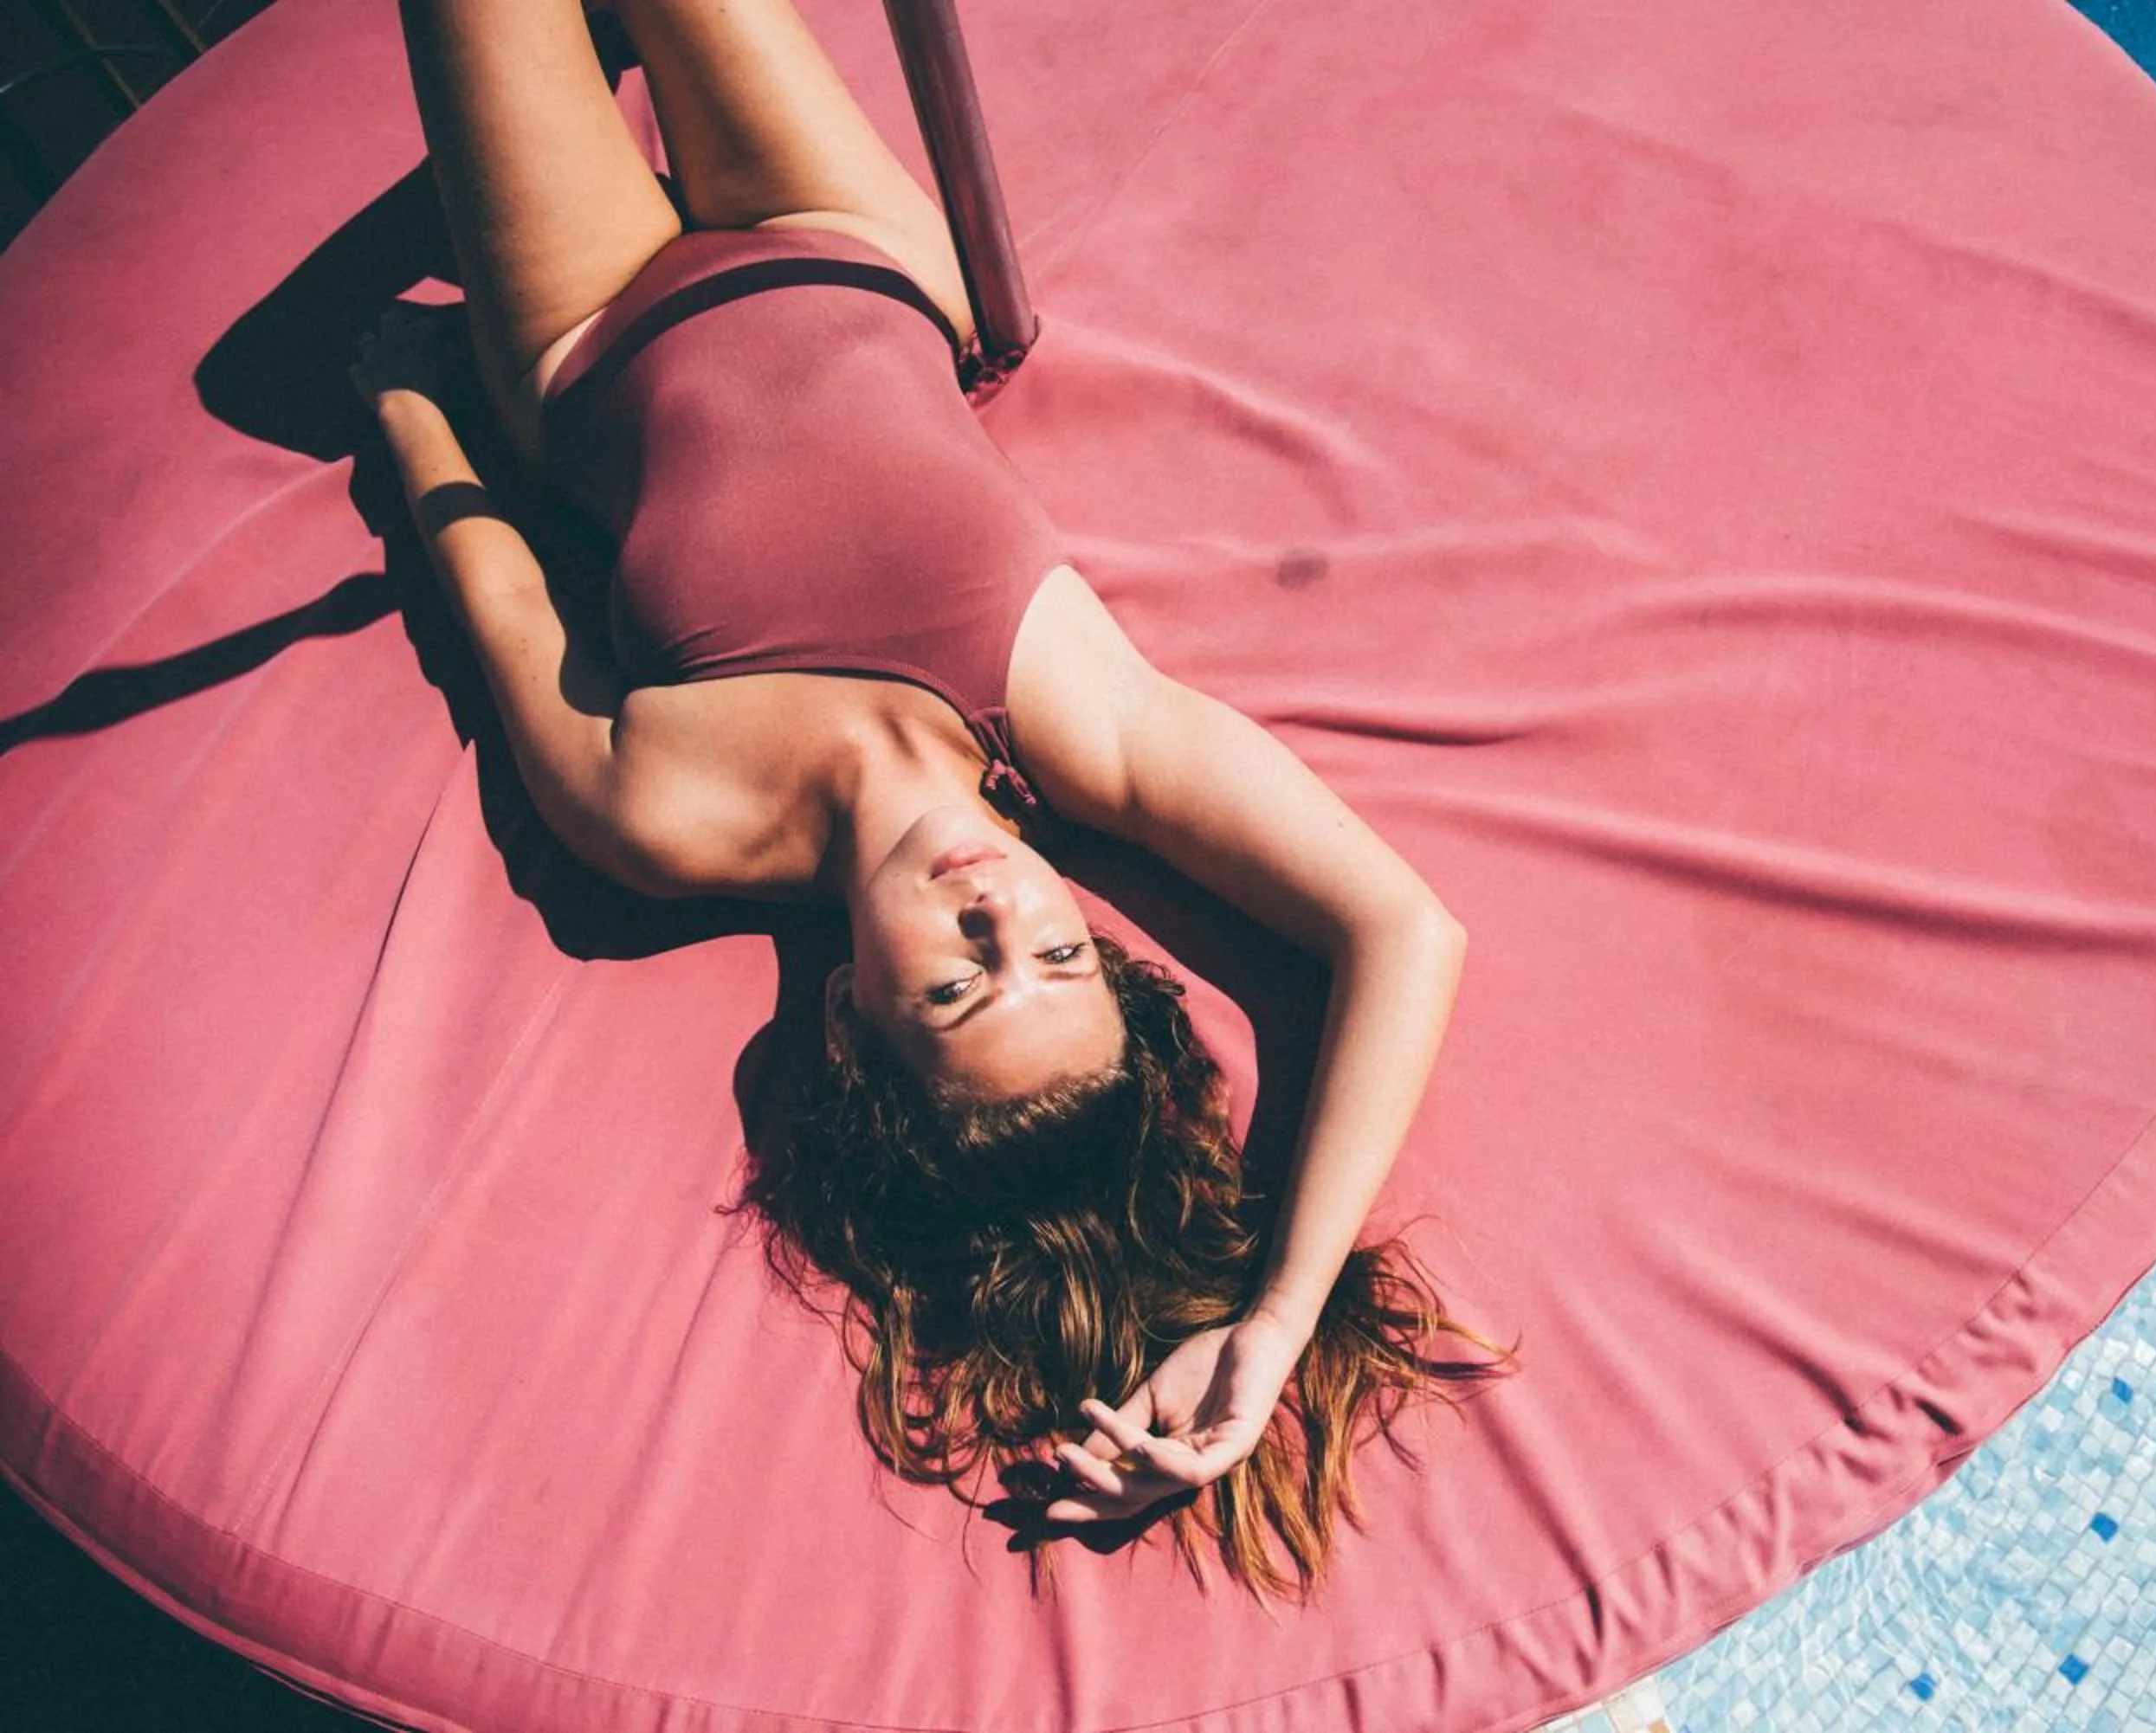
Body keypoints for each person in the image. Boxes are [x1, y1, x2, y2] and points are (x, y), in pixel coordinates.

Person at [352, 0, 1510, 1600]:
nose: (994, 908)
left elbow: (501, 592)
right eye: (1056, 954)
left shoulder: (672, 820)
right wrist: (1275, 1314)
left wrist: (408, 407)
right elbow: (1402, 929)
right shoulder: (1076, 726)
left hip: (591, 328)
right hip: (858, 255)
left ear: (848, 1023)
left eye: (958, 985)